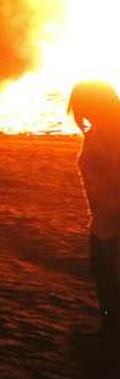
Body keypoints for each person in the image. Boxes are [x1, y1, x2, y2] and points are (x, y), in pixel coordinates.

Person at [68, 81, 120, 334]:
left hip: (110, 217)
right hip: (106, 215)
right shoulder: (104, 131)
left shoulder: (103, 136)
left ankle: (111, 324)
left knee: (105, 270)